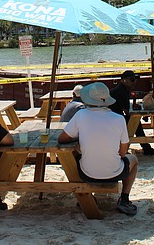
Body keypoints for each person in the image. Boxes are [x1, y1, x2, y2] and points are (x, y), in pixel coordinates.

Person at [58, 82, 139, 216]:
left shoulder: (81, 115)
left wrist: (78, 139)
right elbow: (123, 152)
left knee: (73, 155)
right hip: (115, 172)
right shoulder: (119, 119)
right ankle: (124, 199)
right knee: (134, 159)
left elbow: (62, 139)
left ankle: (86, 195)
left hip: (86, 172)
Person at [109, 70, 154, 156]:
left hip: (113, 116)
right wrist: (140, 113)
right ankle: (145, 148)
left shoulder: (122, 90)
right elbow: (127, 112)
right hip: (113, 119)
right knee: (135, 122)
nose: (134, 82)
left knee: (135, 122)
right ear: (124, 80)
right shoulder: (121, 92)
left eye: (135, 80)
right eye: (132, 80)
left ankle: (146, 147)